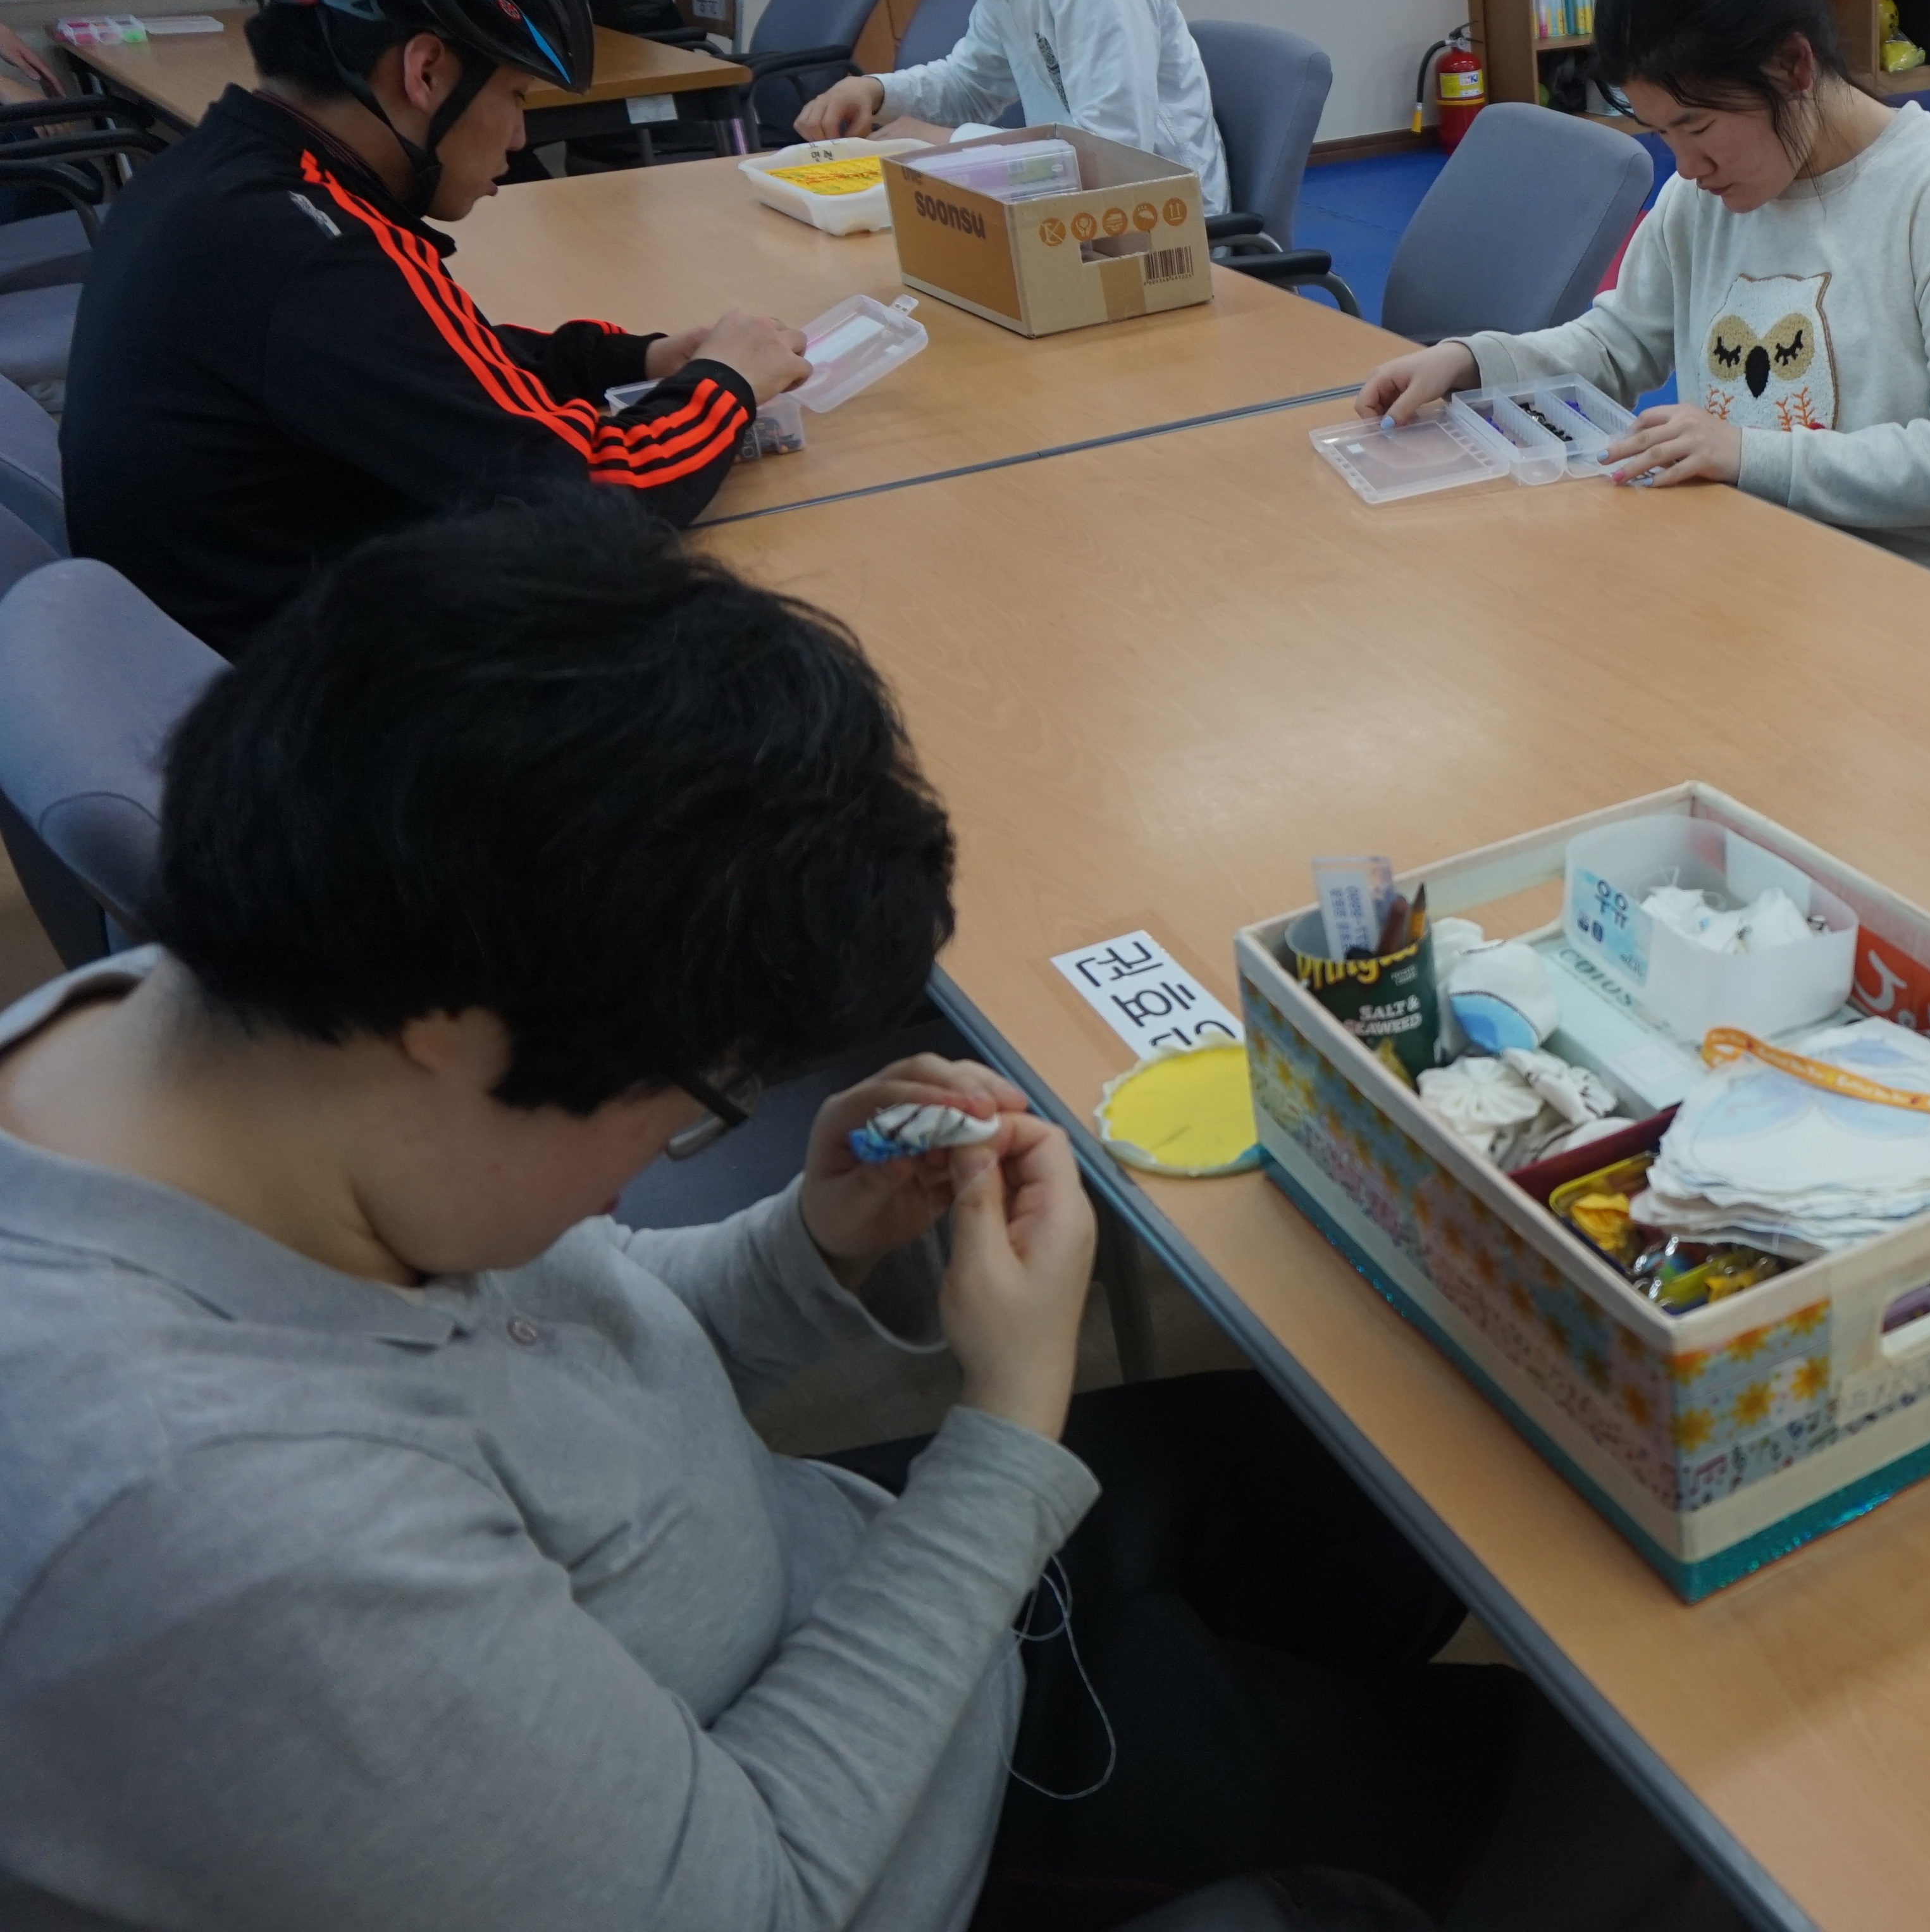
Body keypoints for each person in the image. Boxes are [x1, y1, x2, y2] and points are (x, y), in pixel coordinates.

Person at [0, 494, 1728, 1932]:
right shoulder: (208, 1536)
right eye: (685, 1105)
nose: (656, 1161)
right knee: (1643, 1812)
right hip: (865, 1845)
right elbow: (748, 1895)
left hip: (818, 1570)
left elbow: (561, 1327)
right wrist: (1007, 1430)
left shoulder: (225, 1013)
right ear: (456, 1033)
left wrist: (808, 1240)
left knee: (1370, 1472)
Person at [59, 0, 809, 654]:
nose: (519, 138)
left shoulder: (233, 175)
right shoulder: (314, 251)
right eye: (515, 95)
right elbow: (598, 496)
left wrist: (635, 359)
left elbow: (437, 361)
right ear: (424, 72)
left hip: (228, 639)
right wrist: (726, 383)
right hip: (311, 698)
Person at [1354, 0, 1930, 579]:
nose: (1686, 167)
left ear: (1793, 66)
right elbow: (1619, 343)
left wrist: (1749, 454)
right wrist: (1474, 362)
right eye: (1663, 135)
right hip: (1749, 560)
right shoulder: (1702, 201)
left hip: (1921, 593)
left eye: (1697, 126)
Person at [793, 0, 1230, 218]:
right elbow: (971, 84)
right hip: (1065, 202)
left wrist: (951, 144)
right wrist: (875, 91)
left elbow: (1114, 153)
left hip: (1164, 222)